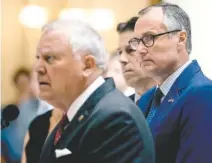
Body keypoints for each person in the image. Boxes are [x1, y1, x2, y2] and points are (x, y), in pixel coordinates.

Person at [35, 19, 155, 163]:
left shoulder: (115, 118)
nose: (38, 68)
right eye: (38, 58)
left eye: (50, 58)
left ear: (87, 65)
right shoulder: (73, 117)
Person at [129, 2, 212, 163]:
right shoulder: (147, 98)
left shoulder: (204, 94)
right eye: (137, 41)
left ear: (181, 39)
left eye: (149, 38)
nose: (140, 49)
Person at [117, 17, 156, 102]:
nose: (122, 59)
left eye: (130, 50)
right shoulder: (121, 108)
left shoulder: (176, 102)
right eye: (120, 52)